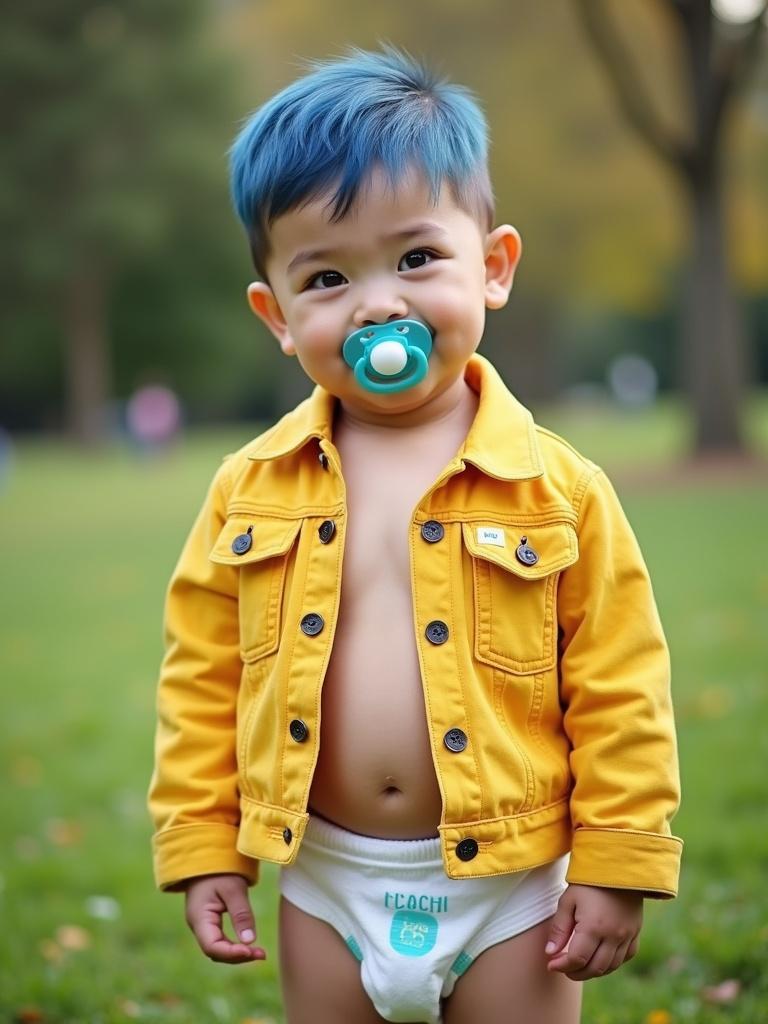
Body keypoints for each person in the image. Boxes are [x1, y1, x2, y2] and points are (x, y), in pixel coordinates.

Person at [148, 47, 681, 1024]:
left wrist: (618, 856)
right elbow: (201, 678)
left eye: (417, 257)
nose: (379, 303)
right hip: (328, 879)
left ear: (495, 266)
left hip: (512, 887)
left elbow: (621, 681)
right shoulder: (248, 489)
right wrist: (201, 845)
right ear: (277, 314)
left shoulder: (559, 489)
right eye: (326, 276)